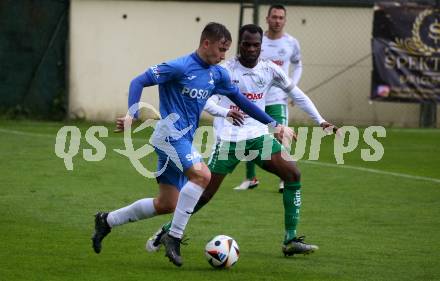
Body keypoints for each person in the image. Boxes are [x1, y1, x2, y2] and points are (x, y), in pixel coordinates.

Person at [91, 22, 292, 267]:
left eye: (226, 50)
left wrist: (274, 124)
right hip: (169, 135)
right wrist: (132, 113)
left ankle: (107, 221)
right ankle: (173, 237)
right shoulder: (179, 67)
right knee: (202, 175)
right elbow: (138, 81)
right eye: (221, 49)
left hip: (183, 140)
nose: (223, 56)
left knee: (166, 204)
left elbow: (240, 100)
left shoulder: (217, 73)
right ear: (206, 43)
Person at [146, 24, 336, 257]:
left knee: (292, 174)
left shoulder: (270, 70)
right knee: (203, 195)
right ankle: (166, 232)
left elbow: (296, 94)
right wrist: (225, 113)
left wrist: (320, 120)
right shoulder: (224, 70)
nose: (251, 48)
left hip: (257, 137)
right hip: (229, 140)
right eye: (246, 44)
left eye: (256, 44)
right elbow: (205, 101)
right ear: (240, 44)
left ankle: (290, 239)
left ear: (261, 46)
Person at [236, 4, 303, 193]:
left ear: (285, 20)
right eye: (274, 17)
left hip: (277, 100)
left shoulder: (291, 43)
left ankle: (284, 178)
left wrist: (292, 88)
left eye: (281, 17)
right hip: (255, 100)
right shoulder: (257, 40)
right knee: (248, 136)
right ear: (267, 18)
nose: (277, 21)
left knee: (281, 136)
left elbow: (298, 65)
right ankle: (250, 178)